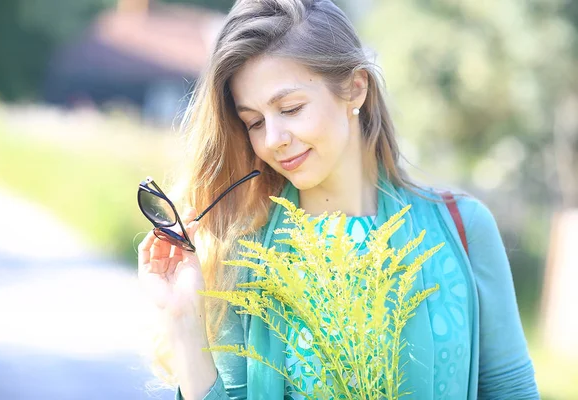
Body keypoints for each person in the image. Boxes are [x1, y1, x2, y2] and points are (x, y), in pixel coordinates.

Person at [137, 0, 539, 399]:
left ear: (355, 87)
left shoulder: (462, 228)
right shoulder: (246, 256)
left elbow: (512, 390)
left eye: (290, 108)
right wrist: (185, 320)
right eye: (254, 122)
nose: (273, 138)